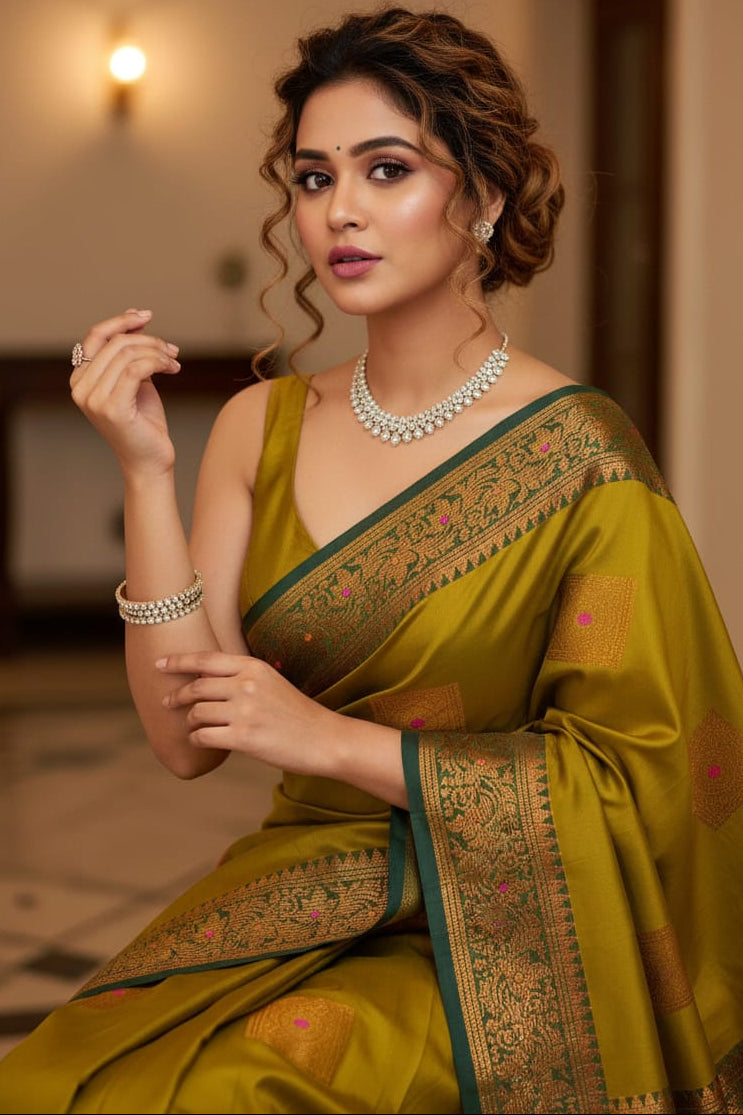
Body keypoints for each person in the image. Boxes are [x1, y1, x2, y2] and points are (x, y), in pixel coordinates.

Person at [1, 5, 742, 1112]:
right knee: (53, 1082)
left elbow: (637, 784)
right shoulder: (260, 424)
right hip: (301, 890)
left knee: (238, 1090)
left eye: (385, 169)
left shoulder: (579, 456)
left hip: (508, 922)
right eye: (313, 178)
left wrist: (322, 738)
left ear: (483, 198)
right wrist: (146, 473)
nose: (337, 209)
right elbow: (184, 740)